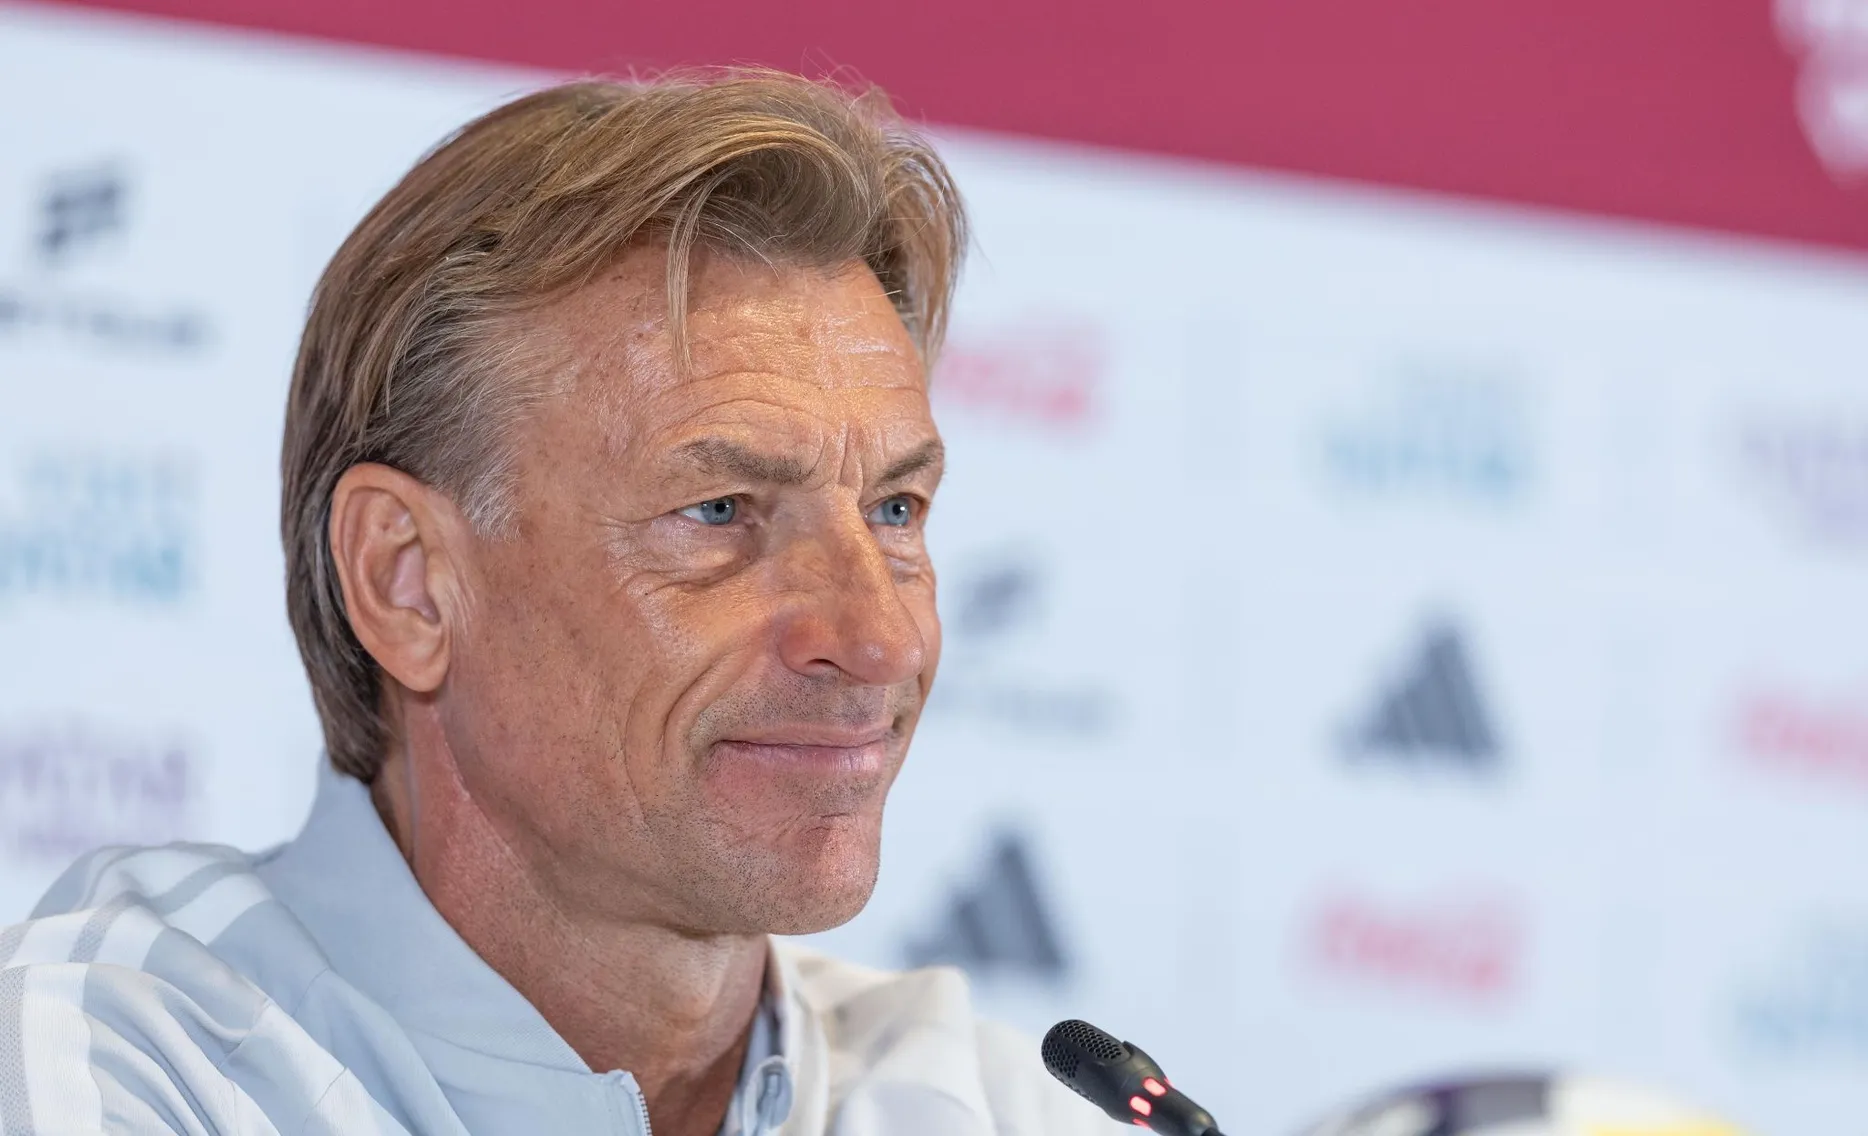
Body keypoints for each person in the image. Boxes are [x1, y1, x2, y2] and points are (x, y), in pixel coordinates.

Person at [0, 72, 1119, 1135]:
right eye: (720, 511)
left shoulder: (1005, 1104)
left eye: (894, 510)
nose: (879, 639)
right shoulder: (112, 1057)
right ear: (407, 581)